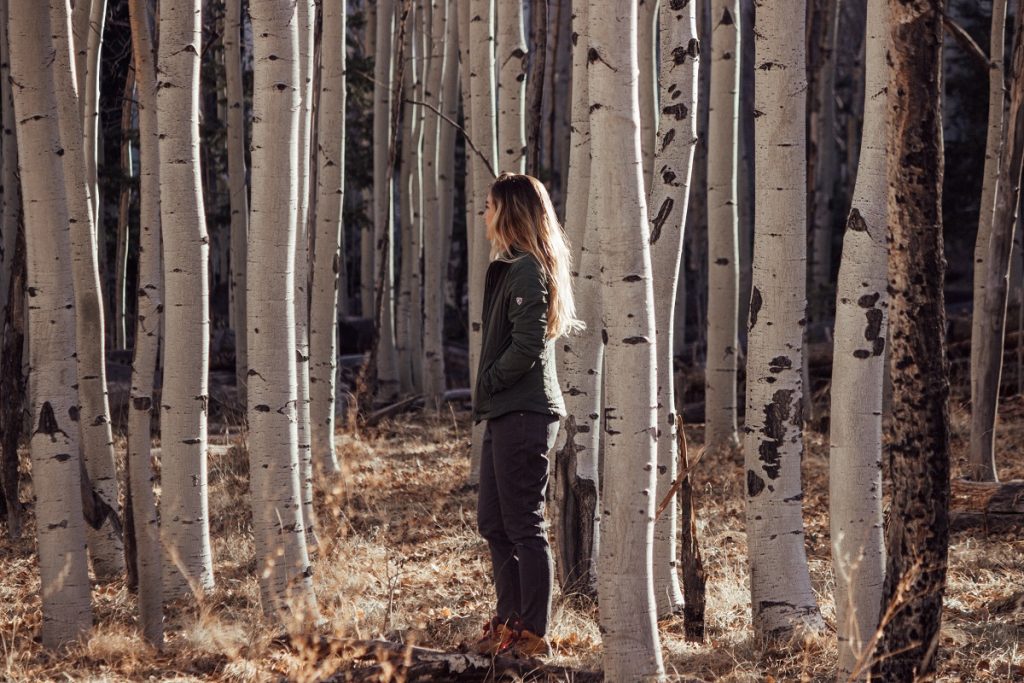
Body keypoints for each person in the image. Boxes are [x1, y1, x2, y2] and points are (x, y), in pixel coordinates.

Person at [471, 173, 583, 658]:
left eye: (490, 206)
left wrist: (492, 379)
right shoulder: (511, 266)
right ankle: (509, 623)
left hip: (524, 410)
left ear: (510, 213)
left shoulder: (526, 270)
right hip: (507, 410)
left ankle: (531, 634)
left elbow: (528, 344)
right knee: (493, 522)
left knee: (523, 526)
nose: (484, 214)